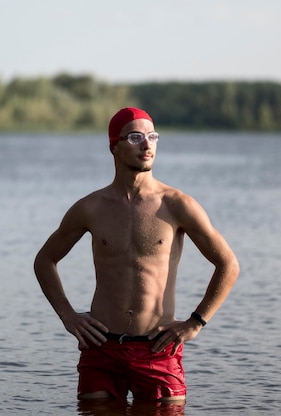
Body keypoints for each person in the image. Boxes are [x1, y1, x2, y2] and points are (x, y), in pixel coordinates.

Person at [33, 107, 239, 403]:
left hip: (157, 347)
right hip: (101, 347)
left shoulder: (177, 204)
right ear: (113, 146)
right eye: (135, 137)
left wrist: (196, 322)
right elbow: (45, 260)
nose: (147, 144)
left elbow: (228, 264)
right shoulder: (91, 207)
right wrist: (67, 315)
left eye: (152, 136)